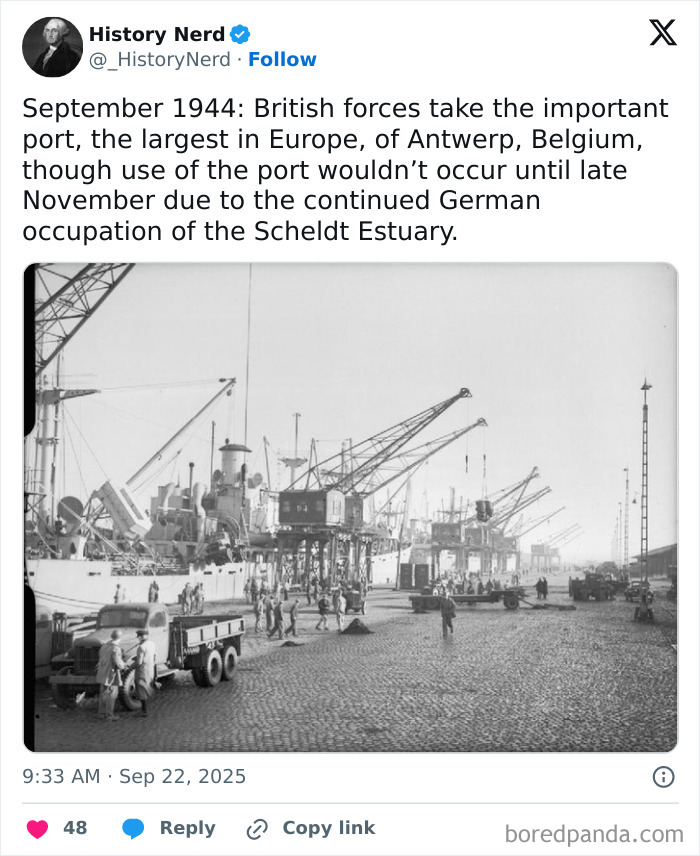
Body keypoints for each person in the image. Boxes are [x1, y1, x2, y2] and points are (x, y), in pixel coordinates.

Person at [96, 630, 126, 721]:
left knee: (103, 694)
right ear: (119, 638)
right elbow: (117, 663)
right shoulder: (116, 648)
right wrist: (123, 665)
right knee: (112, 695)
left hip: (102, 672)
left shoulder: (104, 646)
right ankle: (109, 715)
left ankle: (101, 714)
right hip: (110, 675)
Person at [134, 629, 157, 717]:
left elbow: (139, 662)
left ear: (140, 637)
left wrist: (129, 666)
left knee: (141, 689)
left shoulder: (141, 647)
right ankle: (145, 708)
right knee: (147, 686)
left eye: (138, 637)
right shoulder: (152, 644)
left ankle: (144, 711)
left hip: (142, 670)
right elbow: (154, 656)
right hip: (150, 668)